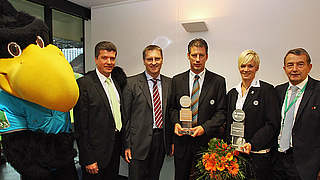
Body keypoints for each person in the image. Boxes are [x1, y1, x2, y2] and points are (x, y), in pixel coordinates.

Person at [170, 38, 226, 180]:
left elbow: (222, 113)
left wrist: (204, 128)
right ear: (188, 56)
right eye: (194, 55)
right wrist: (176, 123)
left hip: (206, 143)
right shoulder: (176, 80)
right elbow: (172, 108)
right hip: (182, 142)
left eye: (201, 55)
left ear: (207, 56)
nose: (197, 59)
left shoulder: (218, 81)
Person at [225, 50, 280, 180]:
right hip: (236, 155)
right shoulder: (233, 93)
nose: (246, 69)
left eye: (250, 66)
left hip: (258, 156)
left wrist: (252, 143)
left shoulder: (267, 90)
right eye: (243, 66)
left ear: (257, 68)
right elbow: (228, 123)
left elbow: (272, 124)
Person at [74, 41, 125, 180]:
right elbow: (81, 127)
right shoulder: (84, 84)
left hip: (114, 150)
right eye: (104, 58)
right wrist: (88, 158)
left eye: (112, 58)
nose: (109, 62)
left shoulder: (116, 83)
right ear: (96, 59)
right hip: (95, 155)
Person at [123, 45, 173, 180]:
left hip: (160, 141)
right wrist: (126, 145)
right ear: (144, 61)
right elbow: (125, 118)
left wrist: (172, 141)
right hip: (137, 143)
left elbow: (171, 115)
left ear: (162, 60)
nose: (154, 62)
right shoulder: (131, 83)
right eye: (149, 59)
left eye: (157, 58)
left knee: (154, 176)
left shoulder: (170, 83)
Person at [272, 48, 320, 180]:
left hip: (306, 165)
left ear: (309, 67)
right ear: (284, 68)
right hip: (278, 161)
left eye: (300, 64)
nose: (294, 69)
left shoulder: (317, 91)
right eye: (290, 65)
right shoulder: (278, 91)